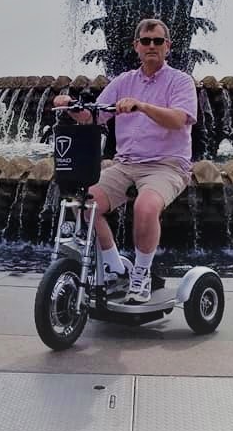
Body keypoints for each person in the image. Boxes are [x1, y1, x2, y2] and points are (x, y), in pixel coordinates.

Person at [53, 18, 197, 303]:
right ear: (137, 46)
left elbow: (178, 120)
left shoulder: (180, 81)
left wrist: (141, 106)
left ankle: (141, 274)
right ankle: (114, 267)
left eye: (158, 41)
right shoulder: (124, 81)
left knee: (145, 207)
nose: (151, 46)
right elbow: (93, 116)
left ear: (168, 46)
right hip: (125, 164)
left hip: (166, 164)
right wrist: (70, 106)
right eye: (146, 41)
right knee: (84, 202)